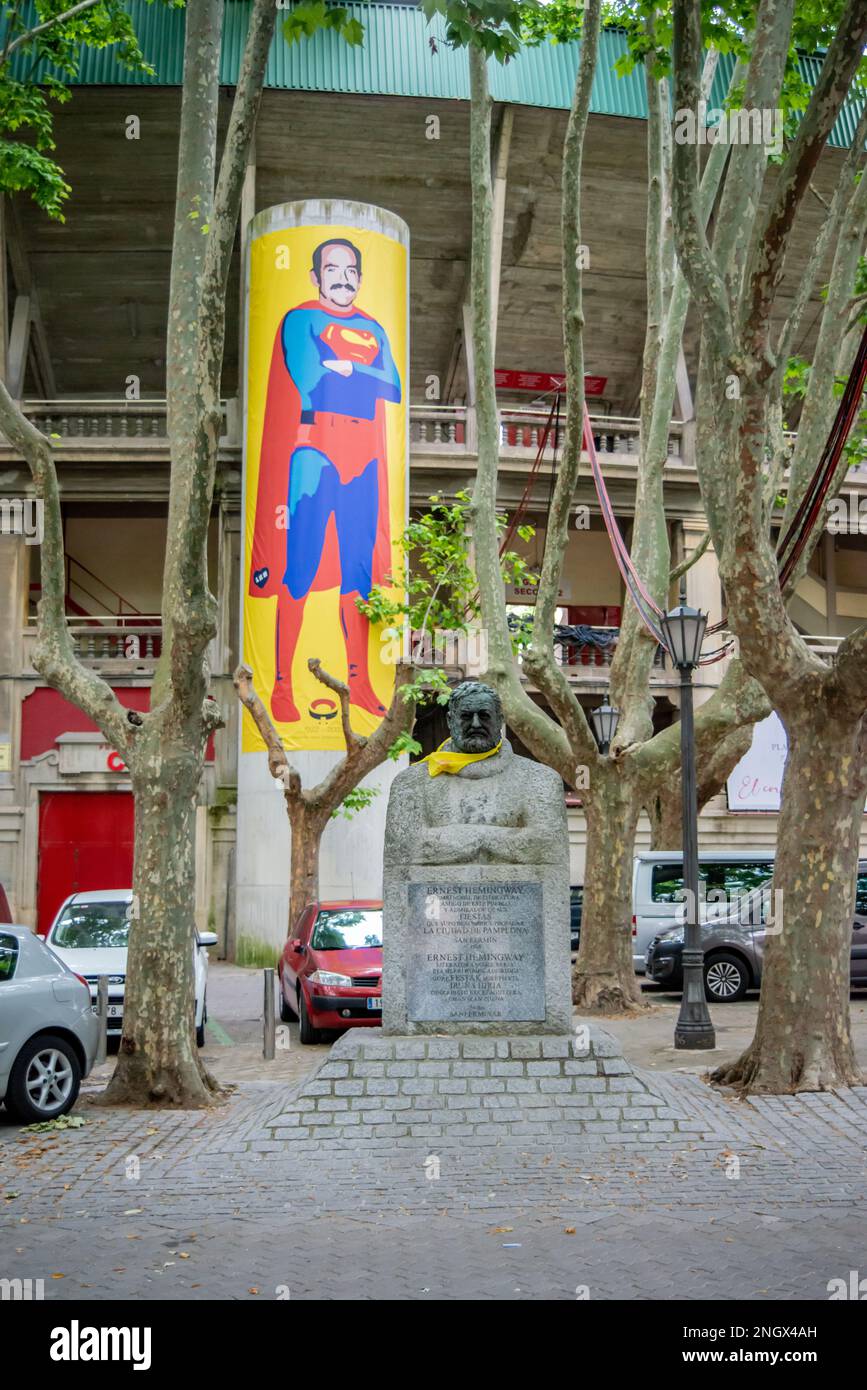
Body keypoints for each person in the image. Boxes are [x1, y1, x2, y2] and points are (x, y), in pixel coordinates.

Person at [249, 237, 401, 723]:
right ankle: (282, 686)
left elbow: (393, 385)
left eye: (351, 270)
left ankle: (359, 684)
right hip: (314, 456)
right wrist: (362, 374)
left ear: (359, 275)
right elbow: (310, 377)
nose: (343, 277)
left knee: (357, 575)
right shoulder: (300, 319)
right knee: (300, 569)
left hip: (364, 461)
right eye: (332, 269)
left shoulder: (375, 327)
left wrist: (348, 368)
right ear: (316, 276)